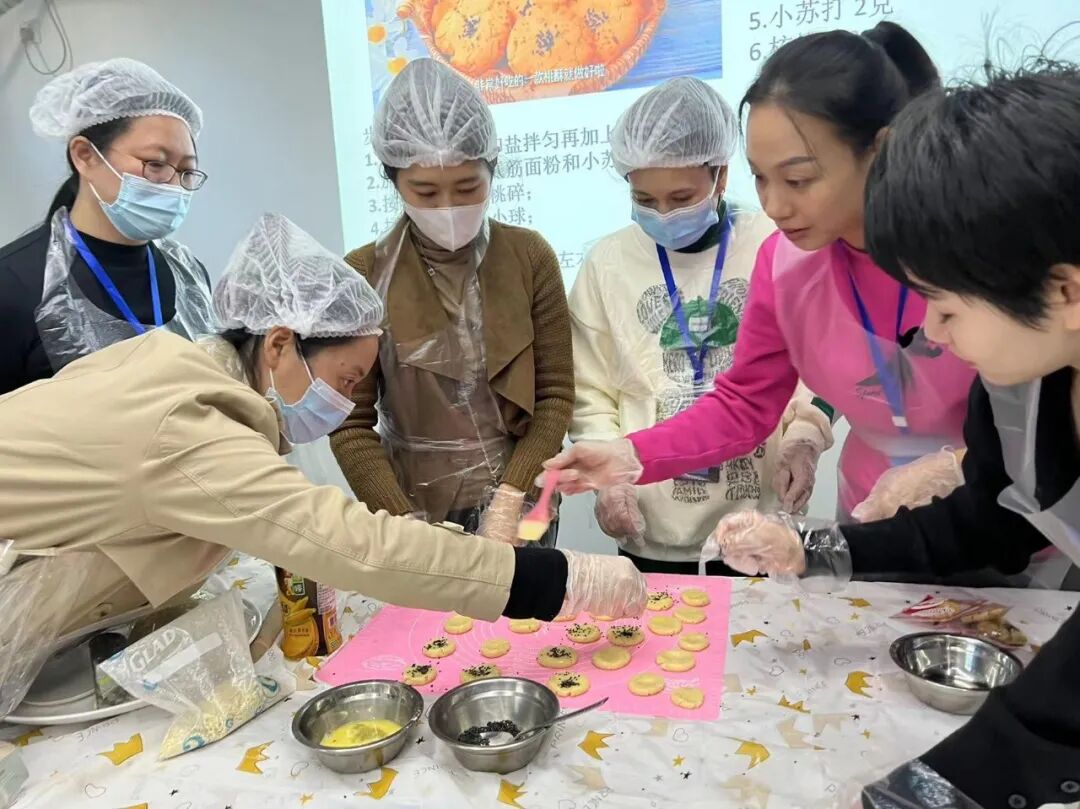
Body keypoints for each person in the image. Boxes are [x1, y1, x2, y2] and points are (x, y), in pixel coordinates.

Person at [0, 213, 644, 707]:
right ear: (280, 344)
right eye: (346, 380)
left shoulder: (181, 372)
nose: (346, 403)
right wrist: (552, 580)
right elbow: (346, 543)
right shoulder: (185, 427)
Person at [707, 64, 1080, 807]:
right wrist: (815, 549)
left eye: (947, 305)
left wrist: (933, 789)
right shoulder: (1024, 380)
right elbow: (987, 522)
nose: (932, 330)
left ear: (1064, 290)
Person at [544, 24, 974, 526]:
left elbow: (1038, 413)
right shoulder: (786, 264)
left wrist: (965, 465)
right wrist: (632, 455)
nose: (774, 205)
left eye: (797, 179)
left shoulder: (971, 246)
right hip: (875, 509)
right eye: (761, 178)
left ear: (878, 150)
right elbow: (745, 404)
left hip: (1008, 507)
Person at [568, 77, 832, 574]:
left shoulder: (773, 244)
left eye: (681, 196)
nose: (664, 213)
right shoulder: (608, 262)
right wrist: (612, 478)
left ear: (721, 176)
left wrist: (805, 437)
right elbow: (590, 389)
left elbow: (819, 363)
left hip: (757, 518)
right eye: (645, 199)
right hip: (650, 525)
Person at [331, 59, 573, 546]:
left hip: (522, 506)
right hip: (413, 507)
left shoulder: (529, 257)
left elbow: (554, 397)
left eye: (467, 188)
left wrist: (512, 498)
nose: (448, 207)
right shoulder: (364, 273)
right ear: (393, 180)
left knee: (525, 598)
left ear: (493, 168)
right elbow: (349, 423)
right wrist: (401, 520)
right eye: (425, 191)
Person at [0, 58, 215, 395]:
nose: (174, 186)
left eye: (186, 171)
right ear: (85, 155)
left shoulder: (187, 274)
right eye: (155, 164)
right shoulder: (15, 282)